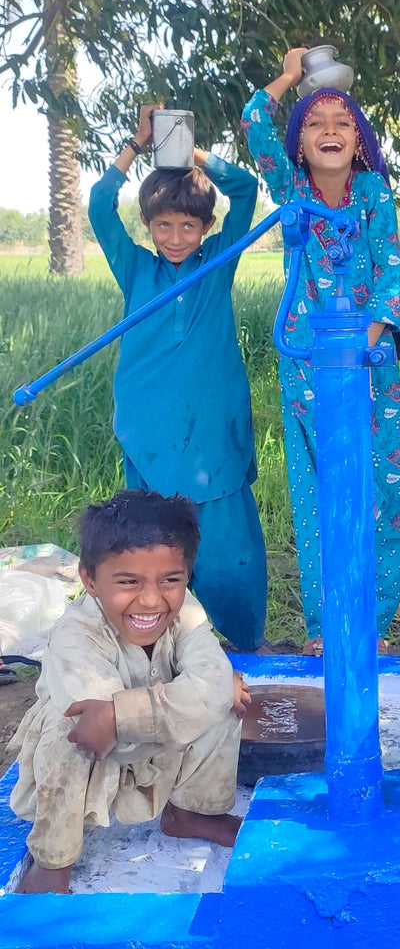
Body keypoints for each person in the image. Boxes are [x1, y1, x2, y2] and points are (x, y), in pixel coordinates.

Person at [241, 49, 400, 655]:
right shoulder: (290, 189)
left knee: (385, 487)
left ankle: (377, 619)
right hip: (307, 367)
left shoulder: (373, 194)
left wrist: (359, 347)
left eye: (342, 121)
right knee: (318, 491)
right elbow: (254, 119)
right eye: (316, 123)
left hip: (370, 365)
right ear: (300, 143)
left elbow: (391, 281)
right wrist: (290, 76)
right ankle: (324, 627)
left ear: (360, 139)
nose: (330, 131)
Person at [88, 105, 269, 653]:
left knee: (227, 543)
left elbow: (243, 187)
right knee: (151, 536)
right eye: (163, 224)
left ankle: (240, 643)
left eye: (188, 224)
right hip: (148, 421)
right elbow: (99, 206)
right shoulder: (137, 267)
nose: (174, 235)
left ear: (206, 227)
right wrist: (138, 145)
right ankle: (154, 644)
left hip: (211, 425)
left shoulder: (219, 260)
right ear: (147, 224)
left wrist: (184, 148)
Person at [8, 489, 250, 895]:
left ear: (187, 575)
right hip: (93, 762)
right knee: (63, 728)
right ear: (90, 579)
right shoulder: (75, 637)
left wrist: (120, 715)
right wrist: (181, 701)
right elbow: (105, 738)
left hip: (155, 747)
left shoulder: (186, 610)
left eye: (170, 580)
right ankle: (53, 862)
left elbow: (208, 676)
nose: (152, 599)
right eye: (128, 581)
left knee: (226, 694)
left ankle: (190, 813)